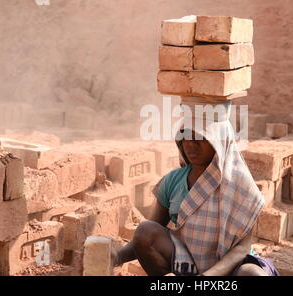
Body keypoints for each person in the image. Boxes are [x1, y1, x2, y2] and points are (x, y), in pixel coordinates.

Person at [112, 102, 279, 276]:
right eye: (186, 138)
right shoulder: (173, 180)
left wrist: (207, 277)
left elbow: (241, 249)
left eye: (200, 138)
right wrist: (116, 257)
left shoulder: (240, 185)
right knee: (146, 229)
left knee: (252, 274)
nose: (191, 144)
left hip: (229, 269)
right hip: (186, 264)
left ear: (219, 143)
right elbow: (146, 236)